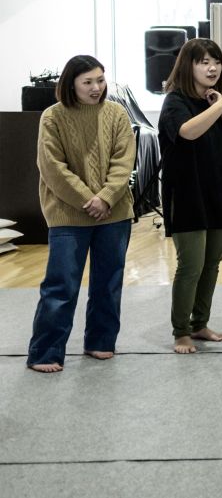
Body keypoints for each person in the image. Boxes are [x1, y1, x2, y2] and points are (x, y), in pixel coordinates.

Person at [27, 56, 136, 372]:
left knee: (108, 281)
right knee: (61, 285)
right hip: (68, 214)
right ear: (71, 83)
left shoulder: (116, 113)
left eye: (100, 80)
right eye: (87, 81)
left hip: (114, 212)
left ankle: (101, 341)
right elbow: (52, 168)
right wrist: (90, 199)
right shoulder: (52, 117)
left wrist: (105, 197)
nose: (96, 87)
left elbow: (123, 161)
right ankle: (45, 351)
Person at [158, 38, 222, 354]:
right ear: (188, 66)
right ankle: (181, 330)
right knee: (191, 265)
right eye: (203, 62)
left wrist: (221, 106)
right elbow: (188, 131)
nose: (212, 68)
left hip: (218, 191)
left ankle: (200, 324)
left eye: (216, 61)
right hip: (185, 194)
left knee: (212, 263)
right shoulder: (174, 101)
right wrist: (220, 105)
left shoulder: (219, 100)